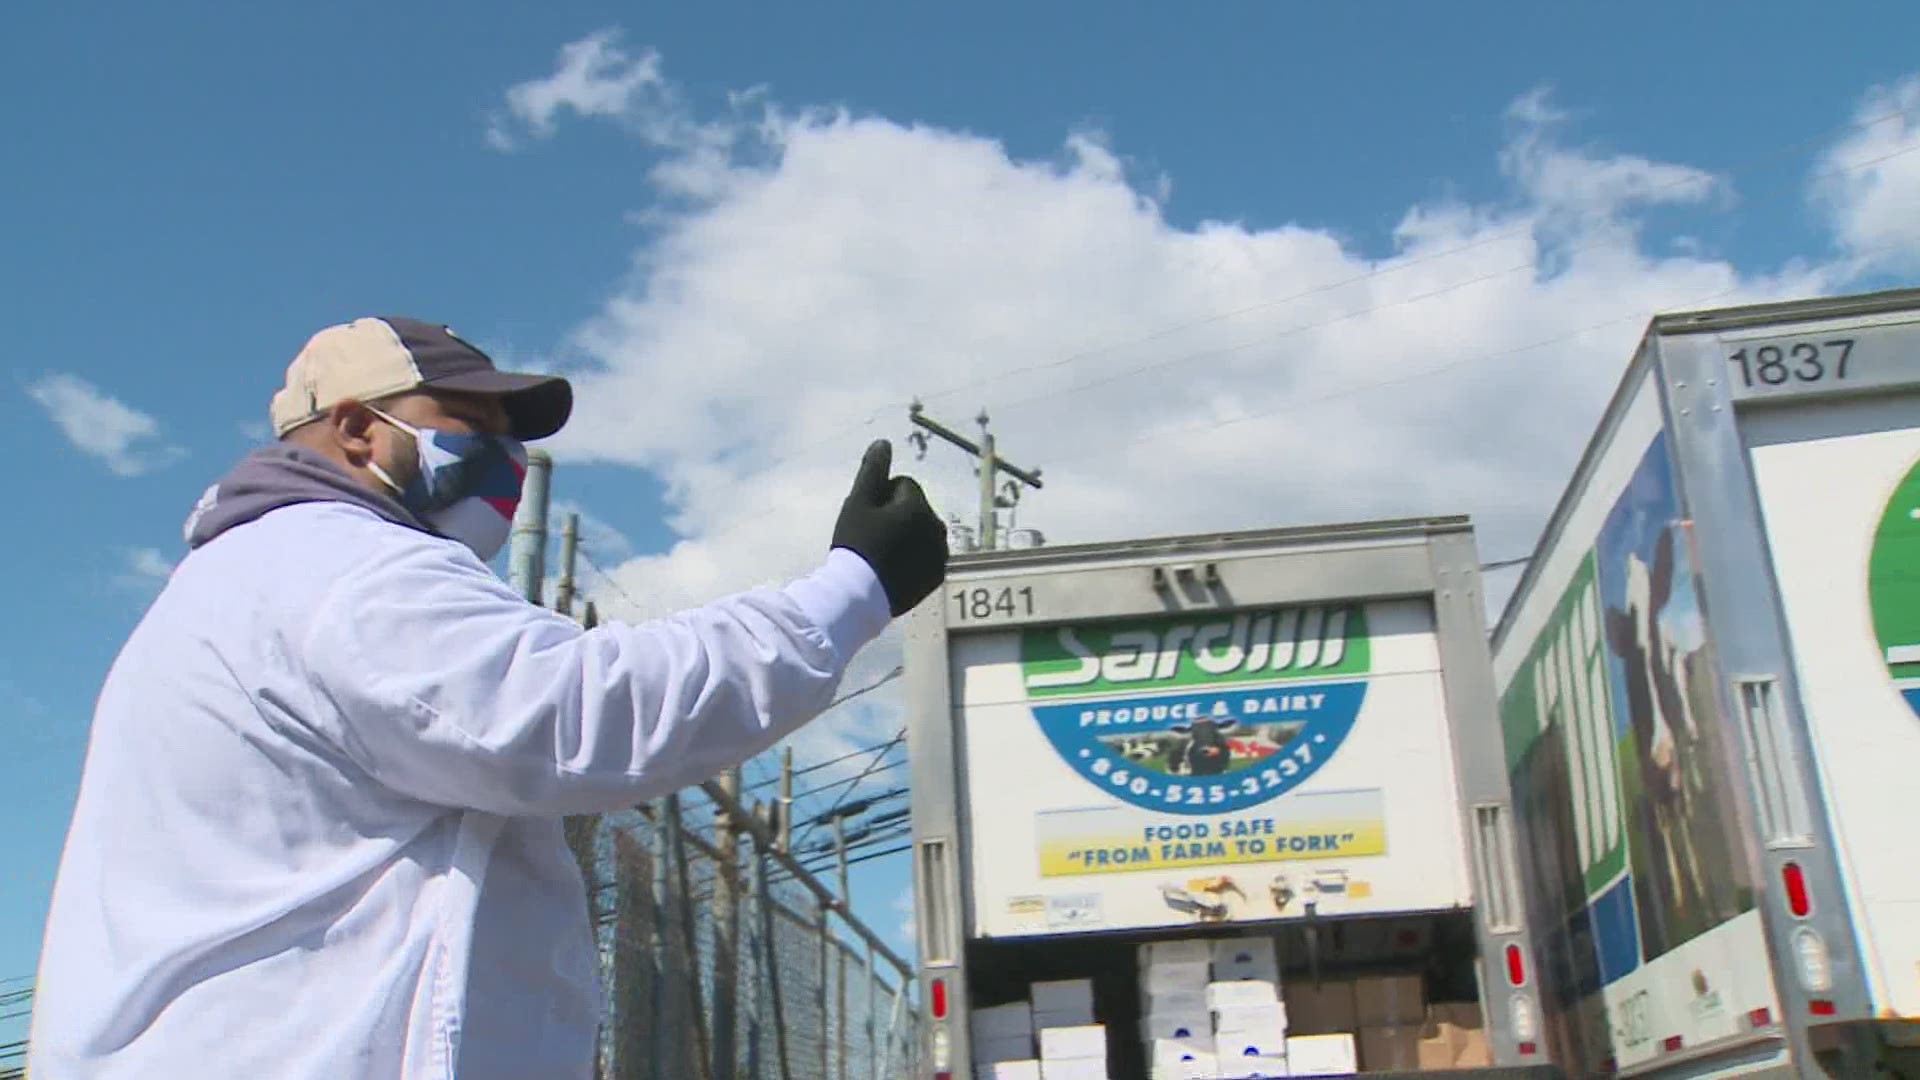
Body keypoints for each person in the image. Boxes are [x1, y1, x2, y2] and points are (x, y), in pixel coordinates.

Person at [29, 316, 948, 1078]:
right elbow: (578, 716)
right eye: (472, 421)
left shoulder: (247, 581)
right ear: (358, 430)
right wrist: (850, 589)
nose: (505, 458)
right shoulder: (336, 564)